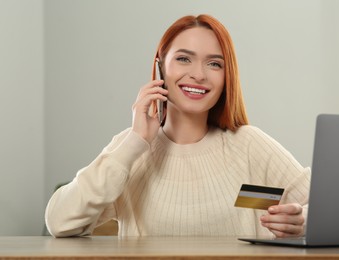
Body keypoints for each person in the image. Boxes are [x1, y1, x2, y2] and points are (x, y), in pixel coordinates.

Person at [45, 14, 310, 238]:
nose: (198, 74)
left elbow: (328, 207)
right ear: (160, 66)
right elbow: (60, 222)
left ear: (227, 77)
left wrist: (303, 220)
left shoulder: (248, 146)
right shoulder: (131, 151)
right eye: (184, 58)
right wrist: (136, 141)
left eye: (215, 64)